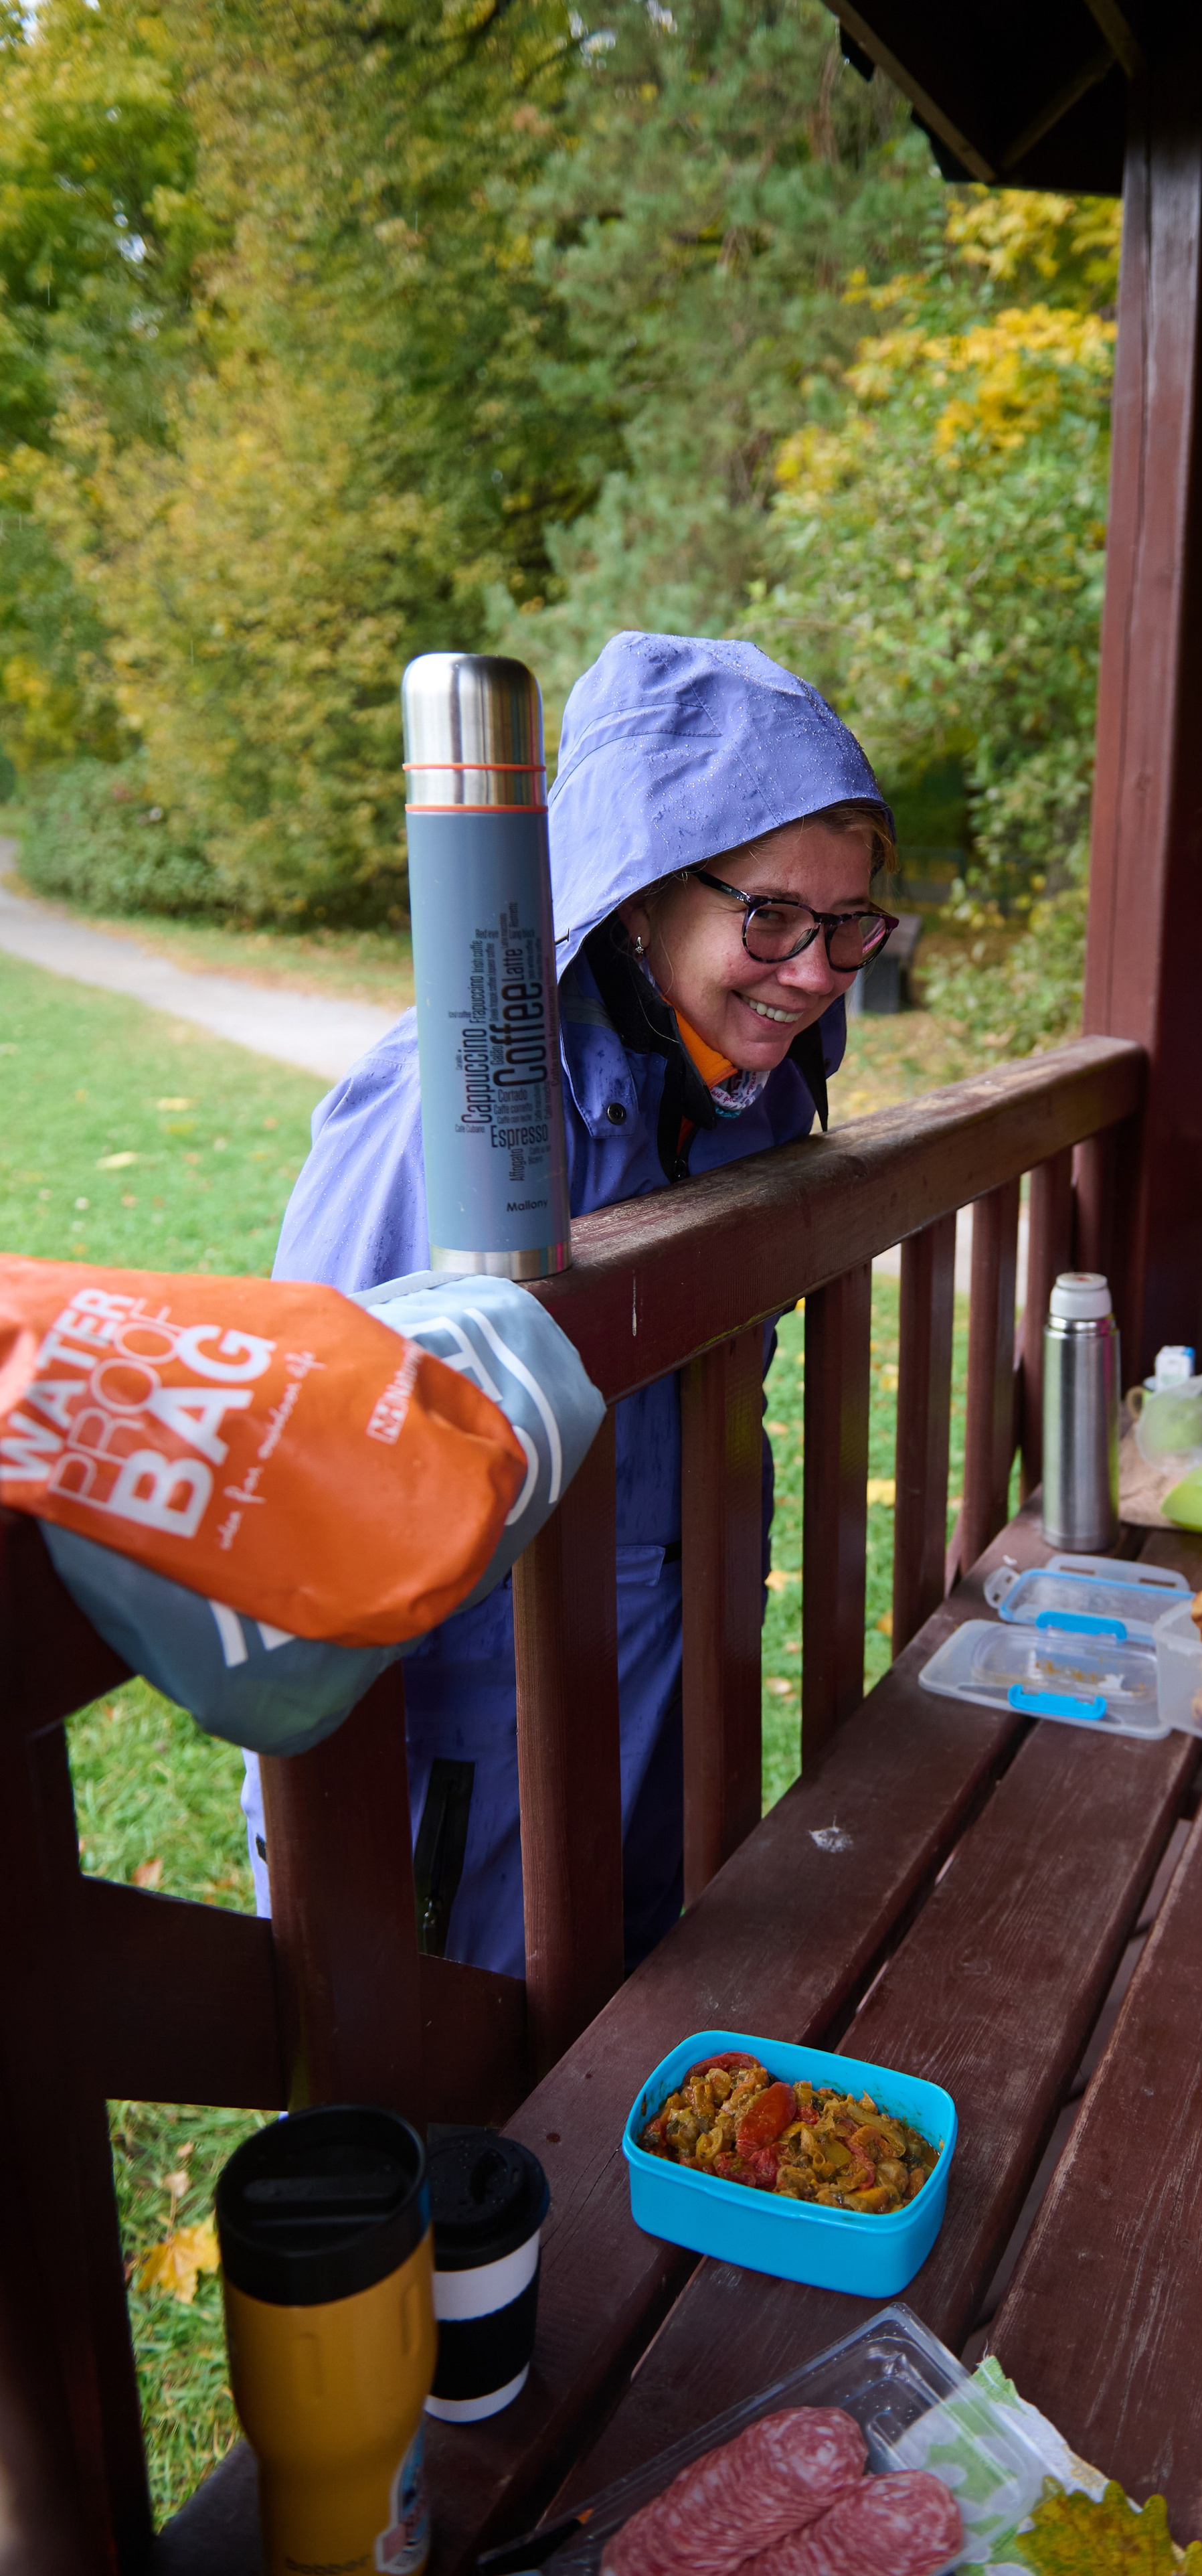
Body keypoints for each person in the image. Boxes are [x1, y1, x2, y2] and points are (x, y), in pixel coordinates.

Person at [248, 633, 897, 1975]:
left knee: (630, 2003)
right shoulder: (460, 1104)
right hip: (468, 1720)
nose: (813, 970)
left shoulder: (749, 1091)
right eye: (770, 915)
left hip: (663, 1669)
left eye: (847, 925)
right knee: (450, 2069)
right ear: (639, 894)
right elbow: (297, 1442)